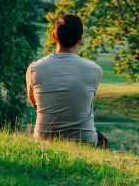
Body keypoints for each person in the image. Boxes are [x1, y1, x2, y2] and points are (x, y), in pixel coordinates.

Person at [26, 13, 109, 148]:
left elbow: (34, 102)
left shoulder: (34, 68)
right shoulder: (94, 69)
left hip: (44, 139)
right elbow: (81, 101)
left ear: (53, 36)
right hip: (84, 141)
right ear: (79, 40)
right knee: (104, 143)